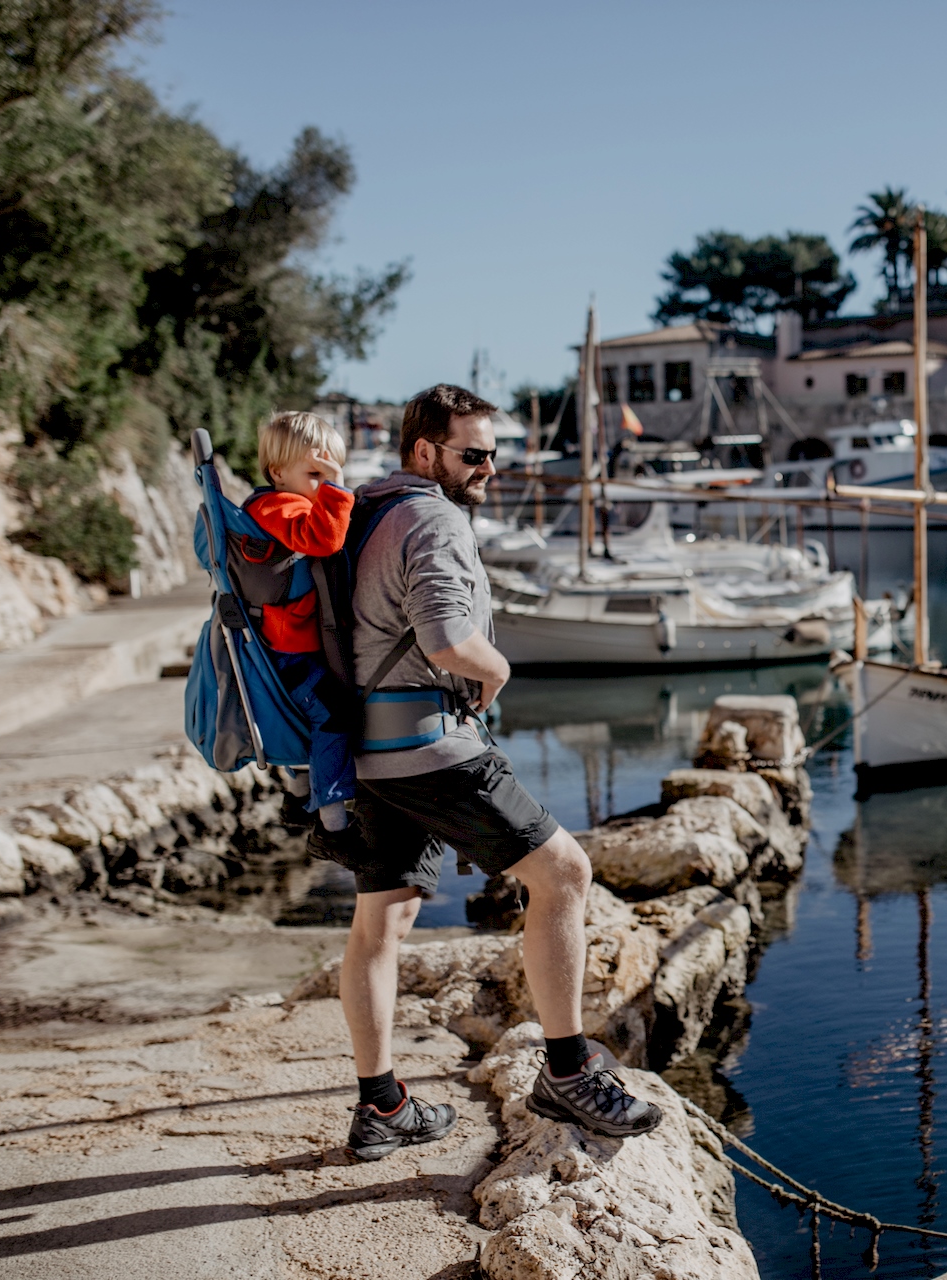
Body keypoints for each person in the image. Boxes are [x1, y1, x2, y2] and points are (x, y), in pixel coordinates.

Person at [329, 383, 659, 1161]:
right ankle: (569, 1071)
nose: (488, 469)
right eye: (473, 454)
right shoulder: (433, 519)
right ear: (425, 452)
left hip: (366, 754)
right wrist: (500, 671)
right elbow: (447, 641)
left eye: (493, 454)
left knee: (381, 921)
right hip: (429, 748)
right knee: (565, 875)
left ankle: (381, 1107)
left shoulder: (368, 510)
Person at [244, 412, 357, 833]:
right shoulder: (276, 506)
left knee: (311, 720)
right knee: (333, 717)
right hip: (289, 654)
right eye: (315, 473)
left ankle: (297, 798)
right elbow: (325, 540)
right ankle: (334, 825)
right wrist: (339, 489)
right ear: (277, 473)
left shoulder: (289, 504)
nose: (323, 483)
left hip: (294, 648)